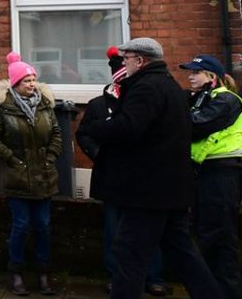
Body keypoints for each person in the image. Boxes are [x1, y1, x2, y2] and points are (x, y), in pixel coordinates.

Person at [78, 38, 223, 299]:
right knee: (182, 253)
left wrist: (95, 128)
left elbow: (129, 127)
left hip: (147, 190)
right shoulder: (170, 87)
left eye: (127, 58)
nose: (124, 63)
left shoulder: (146, 88)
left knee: (128, 253)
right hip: (171, 188)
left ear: (139, 60)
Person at [77, 47, 168, 296]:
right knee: (114, 230)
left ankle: (154, 276)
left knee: (148, 230)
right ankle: (115, 275)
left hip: (142, 178)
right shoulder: (97, 105)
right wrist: (100, 156)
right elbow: (84, 134)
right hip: (112, 178)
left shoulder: (145, 97)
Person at [0, 53, 61, 295]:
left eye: (33, 79)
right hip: (17, 176)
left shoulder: (45, 105)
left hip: (44, 175)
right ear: (15, 83)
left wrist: (50, 157)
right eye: (27, 80)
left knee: (43, 225)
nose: (32, 83)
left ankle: (43, 273)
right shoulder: (3, 107)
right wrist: (12, 158)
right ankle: (15, 273)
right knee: (21, 225)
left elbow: (57, 133)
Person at [179, 54, 242, 299]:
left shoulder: (226, 99)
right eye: (190, 72)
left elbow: (196, 126)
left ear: (212, 76)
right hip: (205, 173)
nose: (190, 77)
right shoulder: (202, 98)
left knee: (220, 238)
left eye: (196, 72)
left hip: (223, 173)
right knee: (207, 234)